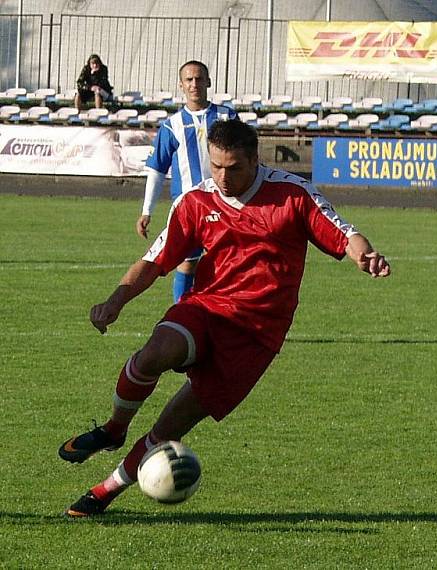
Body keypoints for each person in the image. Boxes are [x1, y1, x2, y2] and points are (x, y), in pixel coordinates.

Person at [58, 120, 391, 517]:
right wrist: (116, 301)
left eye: (233, 168)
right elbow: (154, 261)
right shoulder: (198, 201)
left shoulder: (292, 196)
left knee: (169, 428)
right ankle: (114, 428)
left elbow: (344, 233)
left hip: (256, 335)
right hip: (207, 307)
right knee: (154, 353)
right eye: (215, 167)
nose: (222, 177)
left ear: (255, 160)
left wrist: (364, 256)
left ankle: (106, 489)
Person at [137, 60, 238, 303]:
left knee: (230, 265)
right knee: (186, 264)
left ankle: (231, 316)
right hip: (189, 207)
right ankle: (181, 316)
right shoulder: (172, 126)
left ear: (208, 82)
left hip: (226, 203)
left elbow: (244, 156)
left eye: (199, 78)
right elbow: (157, 169)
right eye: (189, 80)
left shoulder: (227, 116)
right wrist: (146, 211)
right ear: (181, 85)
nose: (195, 84)